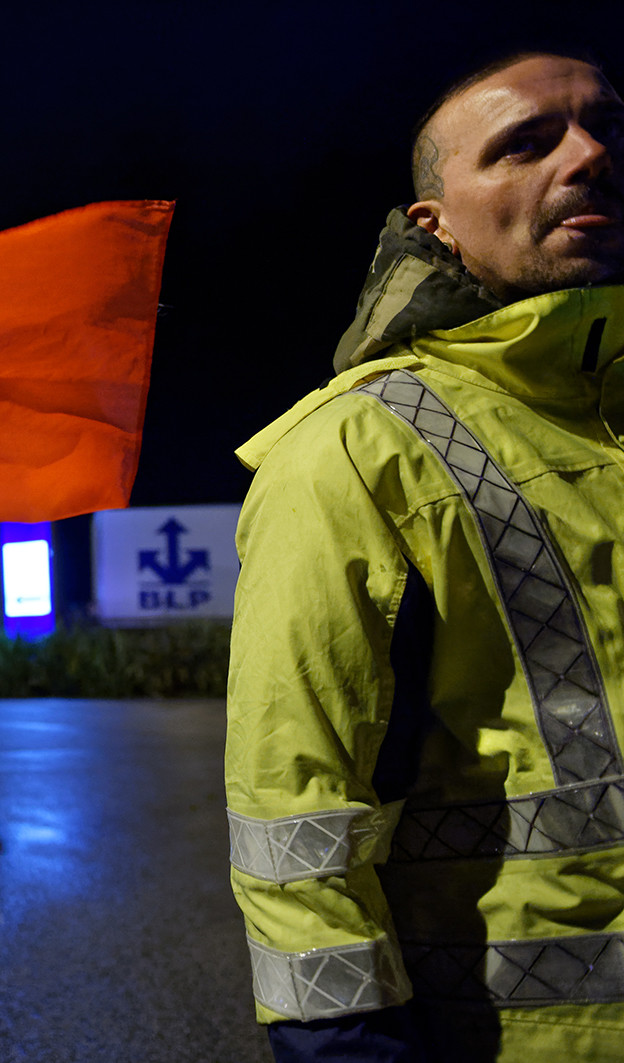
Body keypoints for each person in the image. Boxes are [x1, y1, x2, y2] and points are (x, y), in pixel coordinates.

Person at [226, 52, 624, 1060]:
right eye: (524, 143)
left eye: (602, 128)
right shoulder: (355, 452)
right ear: (431, 224)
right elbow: (299, 823)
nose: (587, 154)